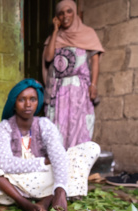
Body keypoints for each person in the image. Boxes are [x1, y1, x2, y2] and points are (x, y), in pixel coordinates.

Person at [0, 79, 100, 211]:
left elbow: (58, 155)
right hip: (11, 186)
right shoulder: (3, 128)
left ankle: (51, 198)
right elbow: (4, 163)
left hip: (43, 182)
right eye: (22, 99)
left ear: (37, 102)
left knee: (89, 149)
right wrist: (43, 162)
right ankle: (24, 202)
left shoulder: (45, 124)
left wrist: (60, 189)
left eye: (32, 99)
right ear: (14, 103)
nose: (28, 104)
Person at [42, 0, 104, 148]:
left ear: (75, 13)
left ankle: (78, 168)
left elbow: (95, 61)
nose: (65, 16)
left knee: (80, 127)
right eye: (61, 13)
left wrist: (94, 85)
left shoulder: (88, 33)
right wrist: (55, 31)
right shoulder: (54, 37)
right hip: (58, 91)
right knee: (57, 129)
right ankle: (60, 166)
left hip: (80, 90)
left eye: (69, 11)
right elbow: (48, 58)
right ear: (57, 17)